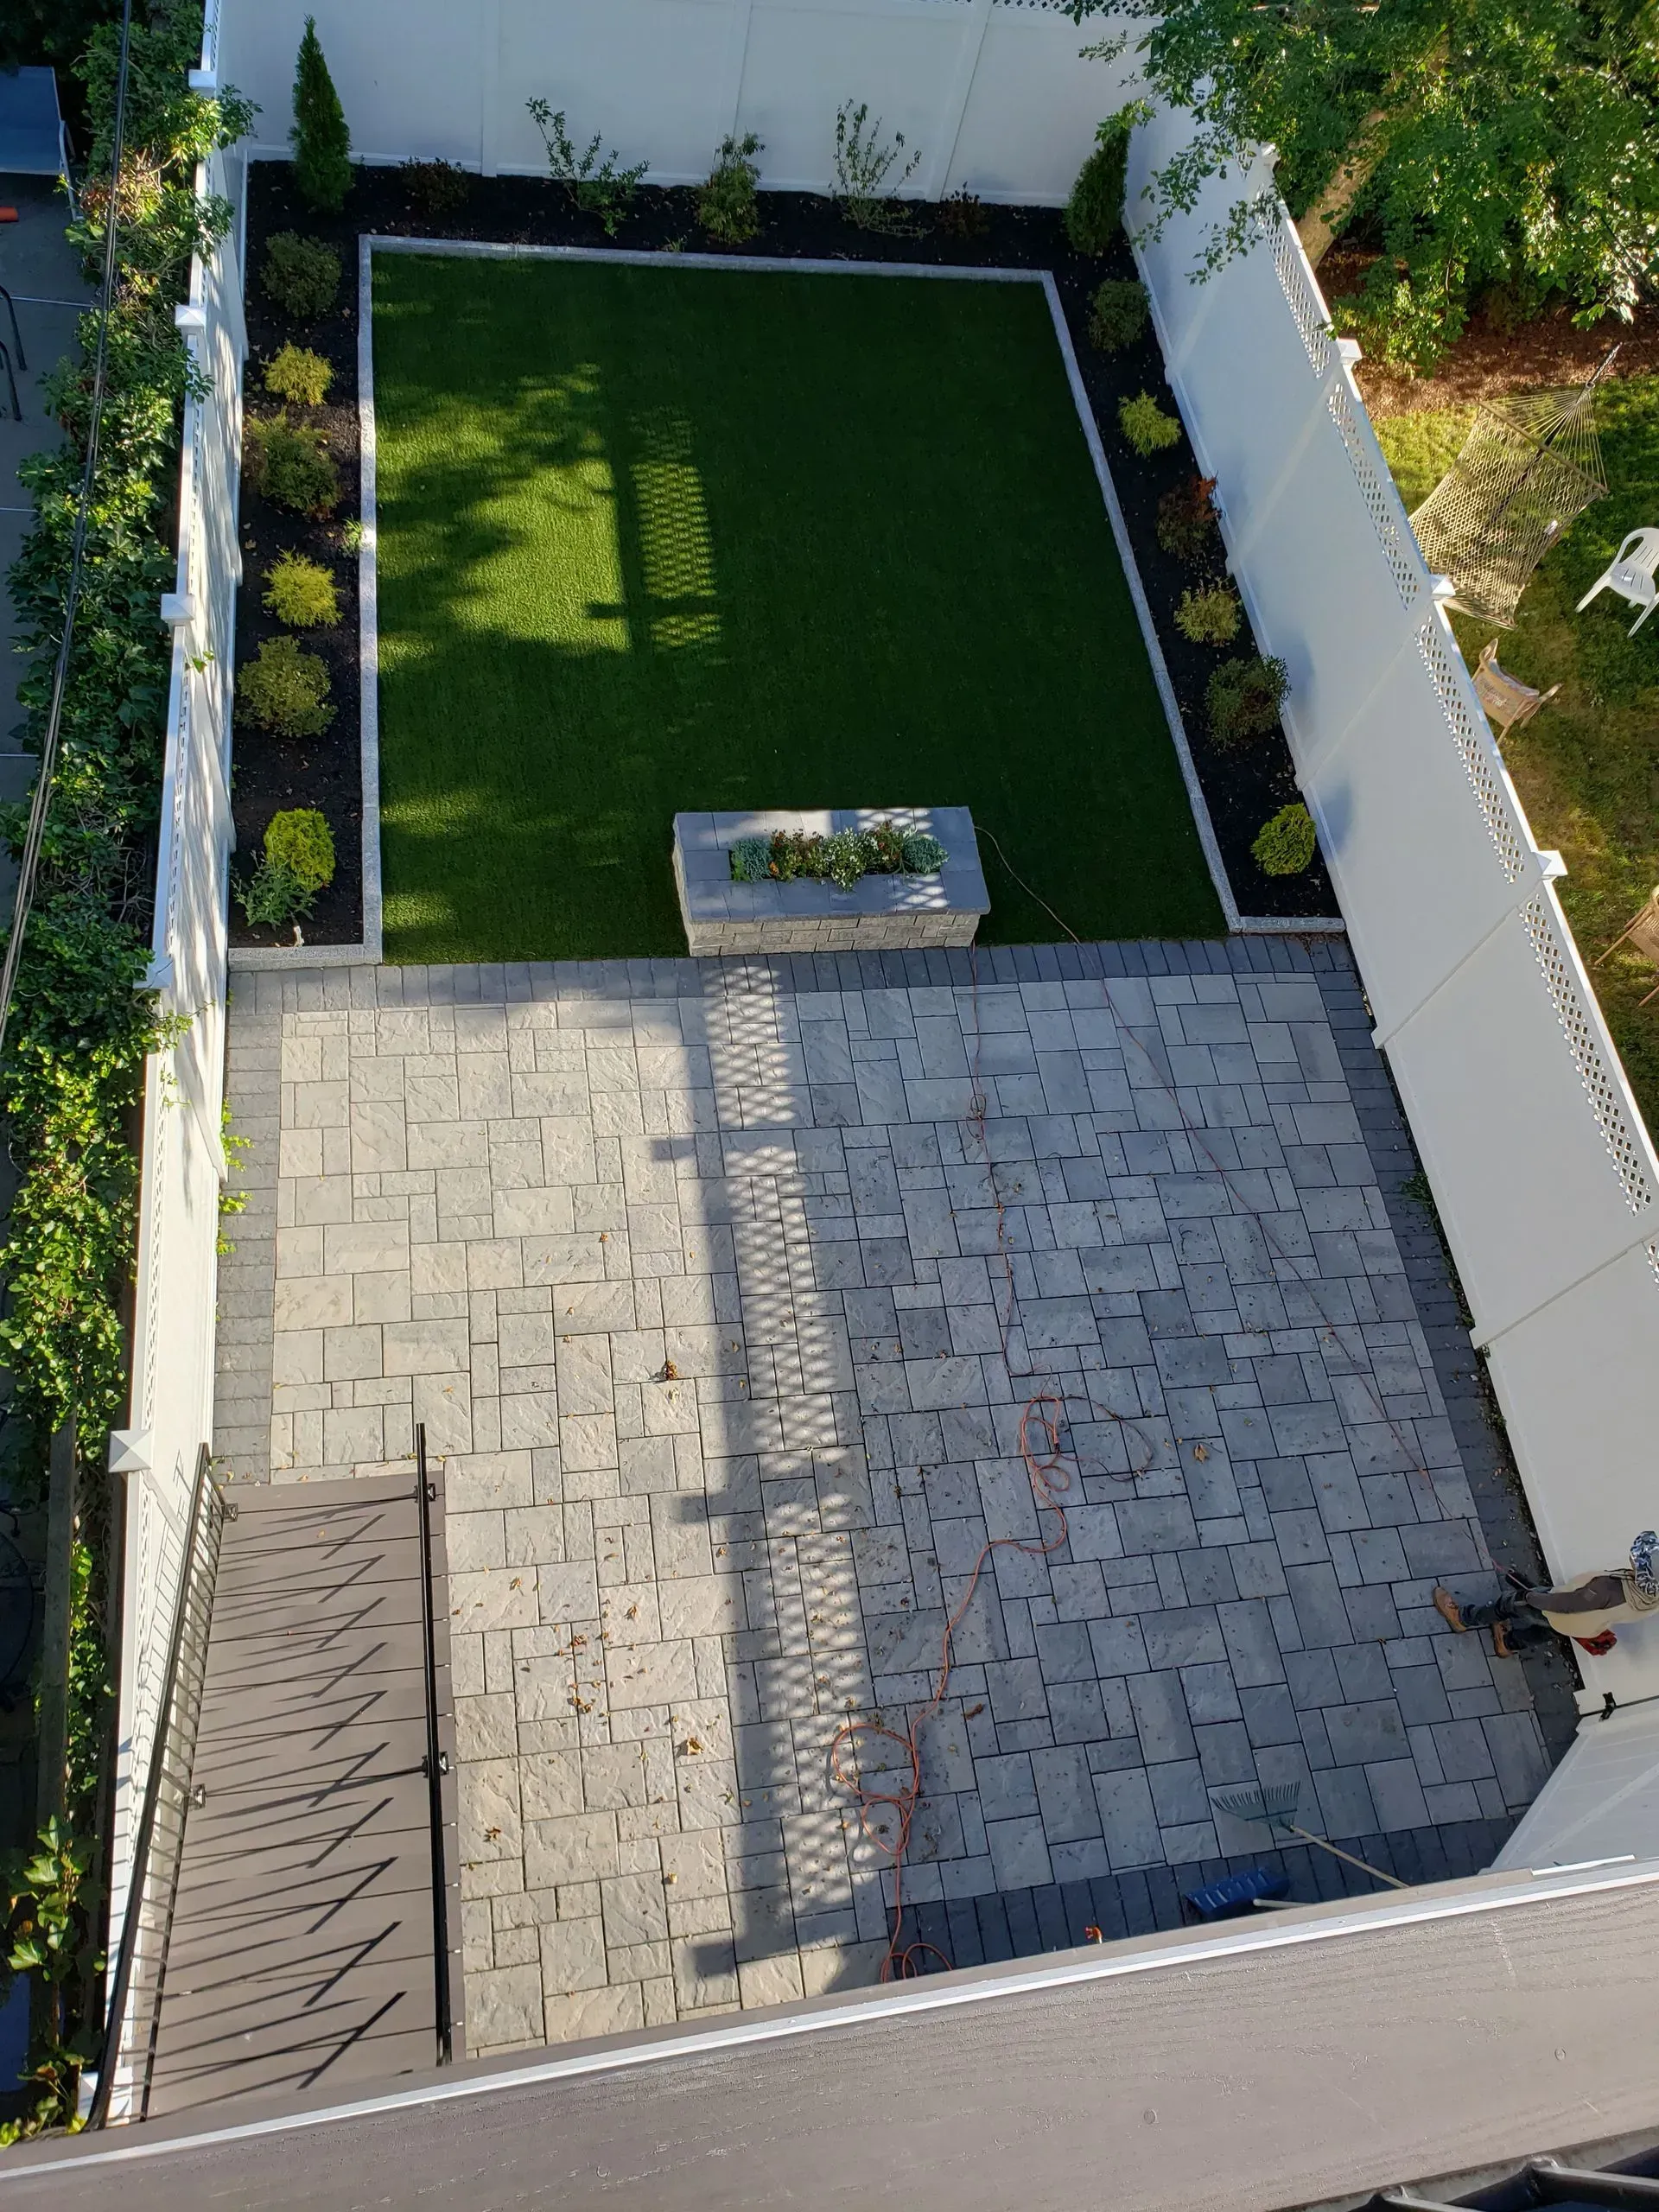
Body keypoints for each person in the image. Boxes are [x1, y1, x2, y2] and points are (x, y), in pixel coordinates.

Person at [1434, 1532, 1659, 1658]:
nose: (1634, 1559)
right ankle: (1508, 1644)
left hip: (1559, 1610)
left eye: (1639, 1561)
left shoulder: (1607, 1590)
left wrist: (1530, 1597)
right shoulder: (1651, 1599)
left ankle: (1463, 1618)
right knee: (1546, 1631)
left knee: (1509, 1603)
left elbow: (1566, 1603)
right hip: (1583, 1626)